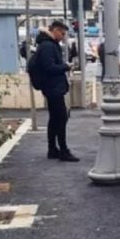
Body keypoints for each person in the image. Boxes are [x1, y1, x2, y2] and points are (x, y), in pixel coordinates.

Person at [34, 20, 79, 162]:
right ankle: (63, 150)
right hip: (52, 87)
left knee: (55, 119)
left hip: (53, 87)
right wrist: (65, 67)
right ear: (55, 30)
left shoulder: (48, 44)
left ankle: (53, 149)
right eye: (62, 33)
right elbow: (49, 67)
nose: (63, 36)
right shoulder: (48, 46)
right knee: (60, 118)